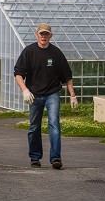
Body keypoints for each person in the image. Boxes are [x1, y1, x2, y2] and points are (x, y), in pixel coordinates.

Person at [14, 23, 78, 169]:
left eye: (46, 34)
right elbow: (18, 73)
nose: (43, 36)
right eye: (41, 33)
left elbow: (67, 76)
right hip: (34, 94)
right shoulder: (29, 52)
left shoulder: (56, 53)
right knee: (34, 127)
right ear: (36, 34)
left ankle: (56, 158)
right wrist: (25, 90)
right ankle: (35, 158)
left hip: (52, 94)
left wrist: (72, 95)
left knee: (54, 124)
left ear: (50, 35)